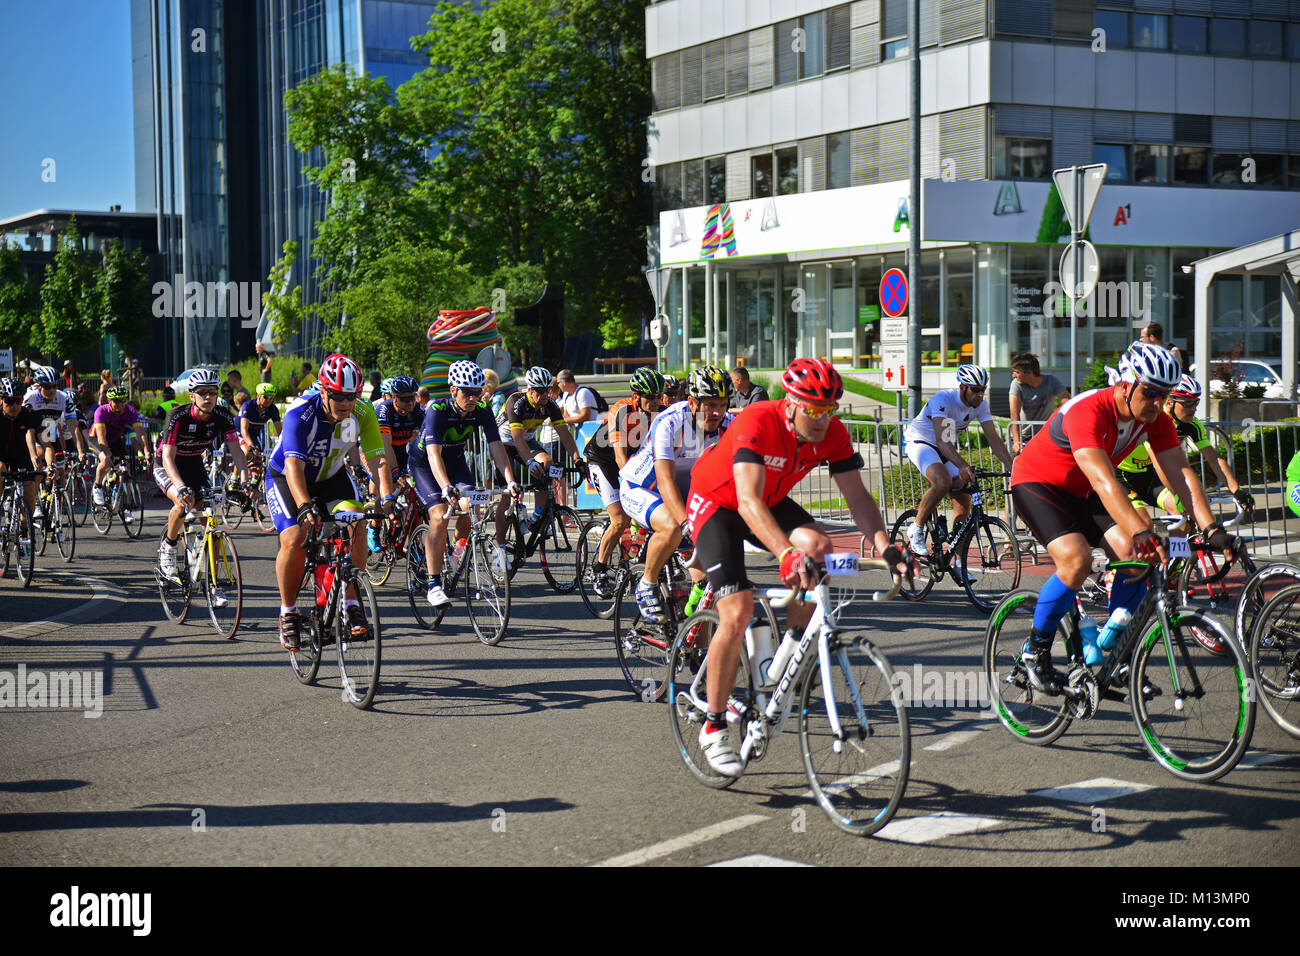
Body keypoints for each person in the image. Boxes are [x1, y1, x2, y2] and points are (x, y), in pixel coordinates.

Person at [685, 358, 909, 775]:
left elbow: (857, 497)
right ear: (791, 403)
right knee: (737, 610)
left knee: (820, 547)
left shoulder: (833, 434)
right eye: (814, 409)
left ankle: (789, 645)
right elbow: (747, 501)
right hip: (718, 502)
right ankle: (714, 726)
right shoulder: (758, 421)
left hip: (766, 501)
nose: (823, 418)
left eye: (830, 408)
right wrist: (786, 554)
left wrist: (885, 546)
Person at [1010, 342, 1235, 689]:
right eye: (1151, 393)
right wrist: (1139, 529)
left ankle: (1115, 656)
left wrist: (1211, 528)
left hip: (1084, 490)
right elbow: (1103, 479)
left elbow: (1182, 475)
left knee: (1133, 557)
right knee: (1076, 560)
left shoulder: (1154, 420)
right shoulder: (1090, 410)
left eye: (1165, 395)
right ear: (1127, 384)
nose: (1159, 403)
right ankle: (1034, 651)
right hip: (1039, 483)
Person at [265, 353, 393, 651]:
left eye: (352, 396)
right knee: (295, 537)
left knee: (358, 519)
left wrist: (387, 498)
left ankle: (351, 599)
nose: (346, 403)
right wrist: (305, 505)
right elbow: (294, 466)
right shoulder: (301, 412)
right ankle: (288, 612)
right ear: (323, 390)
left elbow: (377, 458)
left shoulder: (362, 412)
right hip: (287, 477)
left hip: (331, 476)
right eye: (338, 396)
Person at [619, 365, 734, 623]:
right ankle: (647, 583)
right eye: (710, 404)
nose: (717, 412)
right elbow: (664, 480)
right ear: (692, 402)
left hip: (685, 493)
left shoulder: (729, 425)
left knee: (705, 588)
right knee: (672, 527)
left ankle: (693, 643)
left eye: (723, 404)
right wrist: (687, 524)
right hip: (641, 487)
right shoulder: (670, 422)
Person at [410, 360, 521, 607]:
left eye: (477, 393)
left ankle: (456, 554)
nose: (472, 398)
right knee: (439, 516)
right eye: (467, 392)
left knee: (472, 506)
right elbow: (433, 455)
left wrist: (511, 481)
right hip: (425, 466)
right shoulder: (436, 410)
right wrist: (446, 486)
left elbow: (496, 448)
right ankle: (433, 584)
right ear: (453, 390)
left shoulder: (482, 409)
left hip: (456, 462)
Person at [901, 364, 1013, 557]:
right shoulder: (943, 400)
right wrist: (962, 465)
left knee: (963, 497)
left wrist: (1013, 466)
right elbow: (941, 440)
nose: (980, 395)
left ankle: (958, 562)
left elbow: (994, 439)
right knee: (942, 481)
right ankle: (917, 528)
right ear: (963, 387)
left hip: (946, 448)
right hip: (921, 442)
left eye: (983, 390)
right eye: (975, 390)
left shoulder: (981, 405)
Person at [1116, 374, 1254, 526]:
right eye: (1188, 403)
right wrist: (1180, 495)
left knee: (1181, 517)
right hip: (1122, 476)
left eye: (1196, 402)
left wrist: (1237, 491)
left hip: (1148, 477)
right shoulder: (1153, 419)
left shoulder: (1192, 424)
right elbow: (1159, 463)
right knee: (1143, 524)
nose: (1194, 408)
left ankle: (1180, 549)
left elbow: (1213, 458)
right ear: (1169, 403)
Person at [154, 369, 249, 585]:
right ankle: (168, 549)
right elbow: (168, 456)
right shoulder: (177, 416)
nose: (208, 397)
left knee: (210, 521)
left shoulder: (223, 416)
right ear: (191, 396)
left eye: (212, 392)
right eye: (202, 392)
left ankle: (213, 585)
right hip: (168, 465)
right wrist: (180, 487)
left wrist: (245, 481)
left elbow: (236, 451)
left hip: (194, 464)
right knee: (182, 502)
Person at [583, 367, 665, 598]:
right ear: (636, 396)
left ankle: (632, 559)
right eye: (650, 397)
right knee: (620, 519)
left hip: (635, 462)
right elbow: (619, 456)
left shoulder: (663, 412)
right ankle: (598, 569)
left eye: (659, 396)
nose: (656, 401)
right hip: (603, 460)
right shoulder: (621, 410)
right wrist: (633, 488)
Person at [493, 367, 585, 543]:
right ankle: (500, 545)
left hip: (526, 441)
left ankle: (535, 517)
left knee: (547, 464)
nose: (545, 395)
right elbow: (517, 438)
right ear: (530, 390)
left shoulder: (550, 405)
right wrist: (529, 462)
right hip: (504, 443)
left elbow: (565, 434)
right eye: (540, 391)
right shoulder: (516, 402)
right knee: (508, 494)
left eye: (547, 390)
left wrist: (577, 459)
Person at [23, 366, 87, 516]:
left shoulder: (63, 398)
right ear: (39, 386)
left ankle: (56, 507)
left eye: (54, 386)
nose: (51, 390)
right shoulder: (30, 397)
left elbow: (73, 426)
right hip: (32, 428)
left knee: (57, 468)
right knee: (38, 461)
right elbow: (28, 430)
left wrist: (80, 451)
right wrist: (32, 455)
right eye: (47, 387)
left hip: (48, 430)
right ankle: (36, 500)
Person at [91, 385, 151, 509]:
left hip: (115, 439)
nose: (120, 404)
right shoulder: (101, 411)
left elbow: (140, 432)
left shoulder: (130, 410)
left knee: (126, 467)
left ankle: (126, 506)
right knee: (106, 461)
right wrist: (107, 453)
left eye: (123, 400)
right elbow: (101, 437)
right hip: (97, 439)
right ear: (109, 401)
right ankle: (97, 486)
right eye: (116, 401)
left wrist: (146, 451)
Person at [0, 378, 44, 539]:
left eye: (17, 401)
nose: (13, 406)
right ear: (1, 400)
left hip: (22, 455)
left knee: (29, 496)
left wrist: (34, 456)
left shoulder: (28, 415)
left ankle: (23, 531)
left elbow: (30, 435)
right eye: (9, 401)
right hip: (1, 455)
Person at [1008, 353, 1070, 454]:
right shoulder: (1016, 384)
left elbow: (1067, 402)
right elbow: (1014, 415)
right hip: (1023, 437)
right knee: (1018, 466)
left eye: (1017, 372)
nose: (1013, 375)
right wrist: (1016, 441)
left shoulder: (1051, 381)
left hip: (1044, 435)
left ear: (1029, 372)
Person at [239, 383, 281, 463]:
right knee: (247, 452)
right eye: (266, 397)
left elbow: (280, 431)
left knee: (258, 464)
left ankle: (255, 476)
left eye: (272, 397)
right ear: (258, 396)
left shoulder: (273, 409)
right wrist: (251, 446)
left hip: (255, 433)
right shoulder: (248, 406)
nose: (269, 400)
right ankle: (235, 475)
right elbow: (244, 430)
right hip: (241, 432)